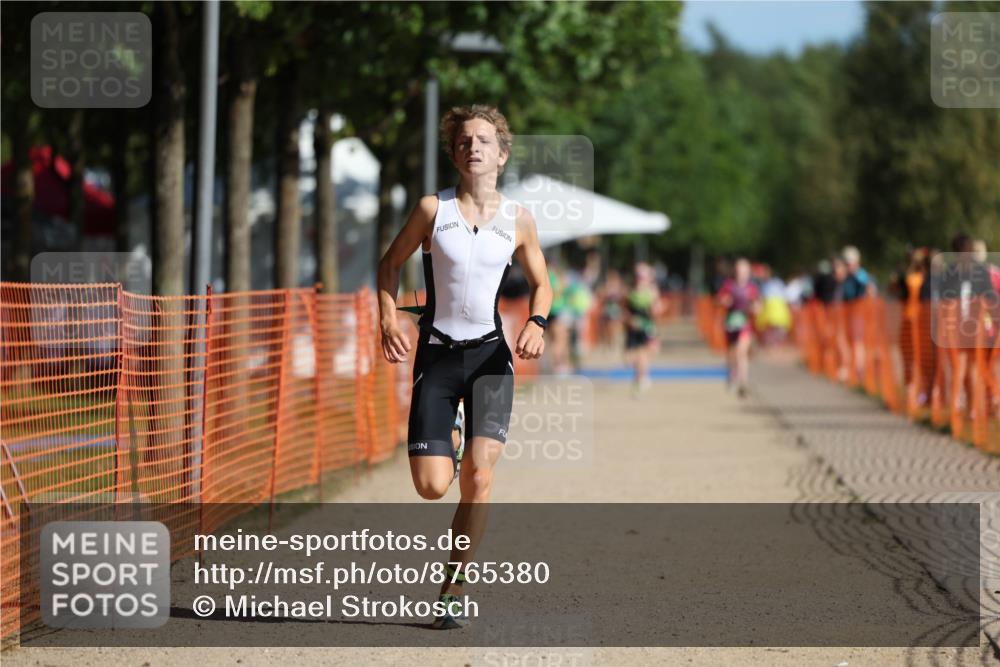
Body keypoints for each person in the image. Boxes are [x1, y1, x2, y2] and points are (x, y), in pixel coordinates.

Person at [376, 104, 551, 629]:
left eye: (483, 140)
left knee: (478, 476)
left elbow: (542, 280)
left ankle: (453, 588)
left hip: (490, 358)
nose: (472, 146)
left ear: (501, 153)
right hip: (437, 353)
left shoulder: (518, 219)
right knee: (432, 486)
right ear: (455, 154)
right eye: (464, 141)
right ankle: (448, 433)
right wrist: (387, 317)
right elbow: (390, 263)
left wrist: (538, 322)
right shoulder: (434, 209)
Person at [717, 258, 760, 398]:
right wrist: (725, 301)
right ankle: (731, 375)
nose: (741, 273)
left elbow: (757, 304)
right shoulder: (728, 285)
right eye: (739, 270)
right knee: (732, 352)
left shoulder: (752, 287)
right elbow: (720, 300)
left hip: (744, 323)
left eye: (744, 271)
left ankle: (743, 382)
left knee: (742, 351)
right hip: (731, 322)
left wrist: (756, 308)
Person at [623, 262, 662, 396]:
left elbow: (656, 311)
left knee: (643, 354)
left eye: (642, 276)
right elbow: (625, 310)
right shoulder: (630, 291)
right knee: (628, 358)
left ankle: (642, 378)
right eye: (638, 276)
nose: (640, 278)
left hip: (646, 327)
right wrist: (630, 320)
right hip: (632, 328)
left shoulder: (652, 292)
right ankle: (640, 377)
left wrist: (654, 308)